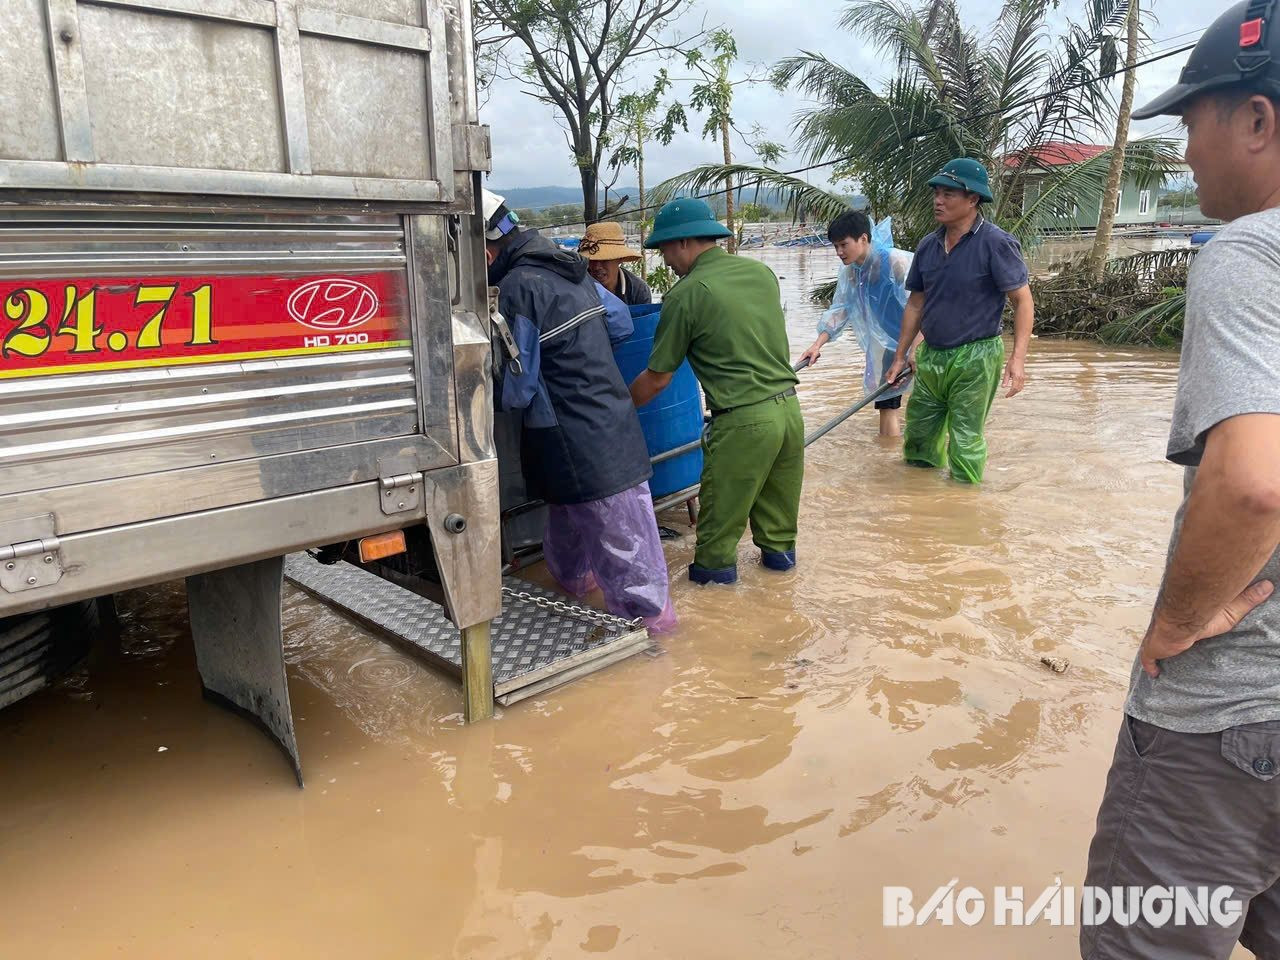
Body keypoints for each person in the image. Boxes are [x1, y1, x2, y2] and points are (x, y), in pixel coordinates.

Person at [1080, 5, 1280, 957]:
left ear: (1256, 121)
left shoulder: (1249, 254)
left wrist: (1175, 624)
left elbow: (1251, 486)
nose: (1186, 150)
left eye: (1193, 119)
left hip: (1228, 716)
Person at [482, 189, 676, 632]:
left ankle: (658, 651)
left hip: (575, 443)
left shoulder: (517, 288)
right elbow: (621, 323)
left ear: (489, 251)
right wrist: (580, 355)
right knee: (588, 536)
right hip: (612, 424)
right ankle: (583, 610)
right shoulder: (570, 268)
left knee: (628, 563)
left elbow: (517, 389)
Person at [629, 197, 804, 585]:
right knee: (778, 539)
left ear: (685, 243)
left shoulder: (685, 295)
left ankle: (715, 628)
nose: (666, 261)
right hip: (789, 414)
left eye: (665, 250)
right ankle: (780, 608)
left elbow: (658, 377)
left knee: (714, 549)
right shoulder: (761, 274)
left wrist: (617, 410)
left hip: (744, 424)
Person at [884, 158, 1033, 483]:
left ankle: (965, 511)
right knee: (919, 434)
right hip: (932, 356)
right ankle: (919, 507)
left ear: (973, 199)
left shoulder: (995, 243)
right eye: (936, 193)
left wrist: (1017, 359)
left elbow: (1023, 301)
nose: (938, 200)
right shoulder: (928, 246)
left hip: (977, 357)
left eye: (949, 193)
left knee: (965, 439)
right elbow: (915, 304)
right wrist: (900, 356)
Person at [798, 210, 915, 437]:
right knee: (886, 404)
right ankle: (886, 463)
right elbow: (841, 310)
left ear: (863, 239)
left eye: (843, 245)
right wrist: (817, 345)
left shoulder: (896, 263)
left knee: (927, 406)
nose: (839, 252)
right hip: (889, 346)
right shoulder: (851, 272)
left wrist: (917, 348)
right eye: (835, 247)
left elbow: (925, 307)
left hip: (921, 340)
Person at [580, 221, 653, 306]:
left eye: (604, 259)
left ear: (620, 258)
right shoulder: (577, 287)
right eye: (592, 260)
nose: (596, 267)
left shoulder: (638, 290)